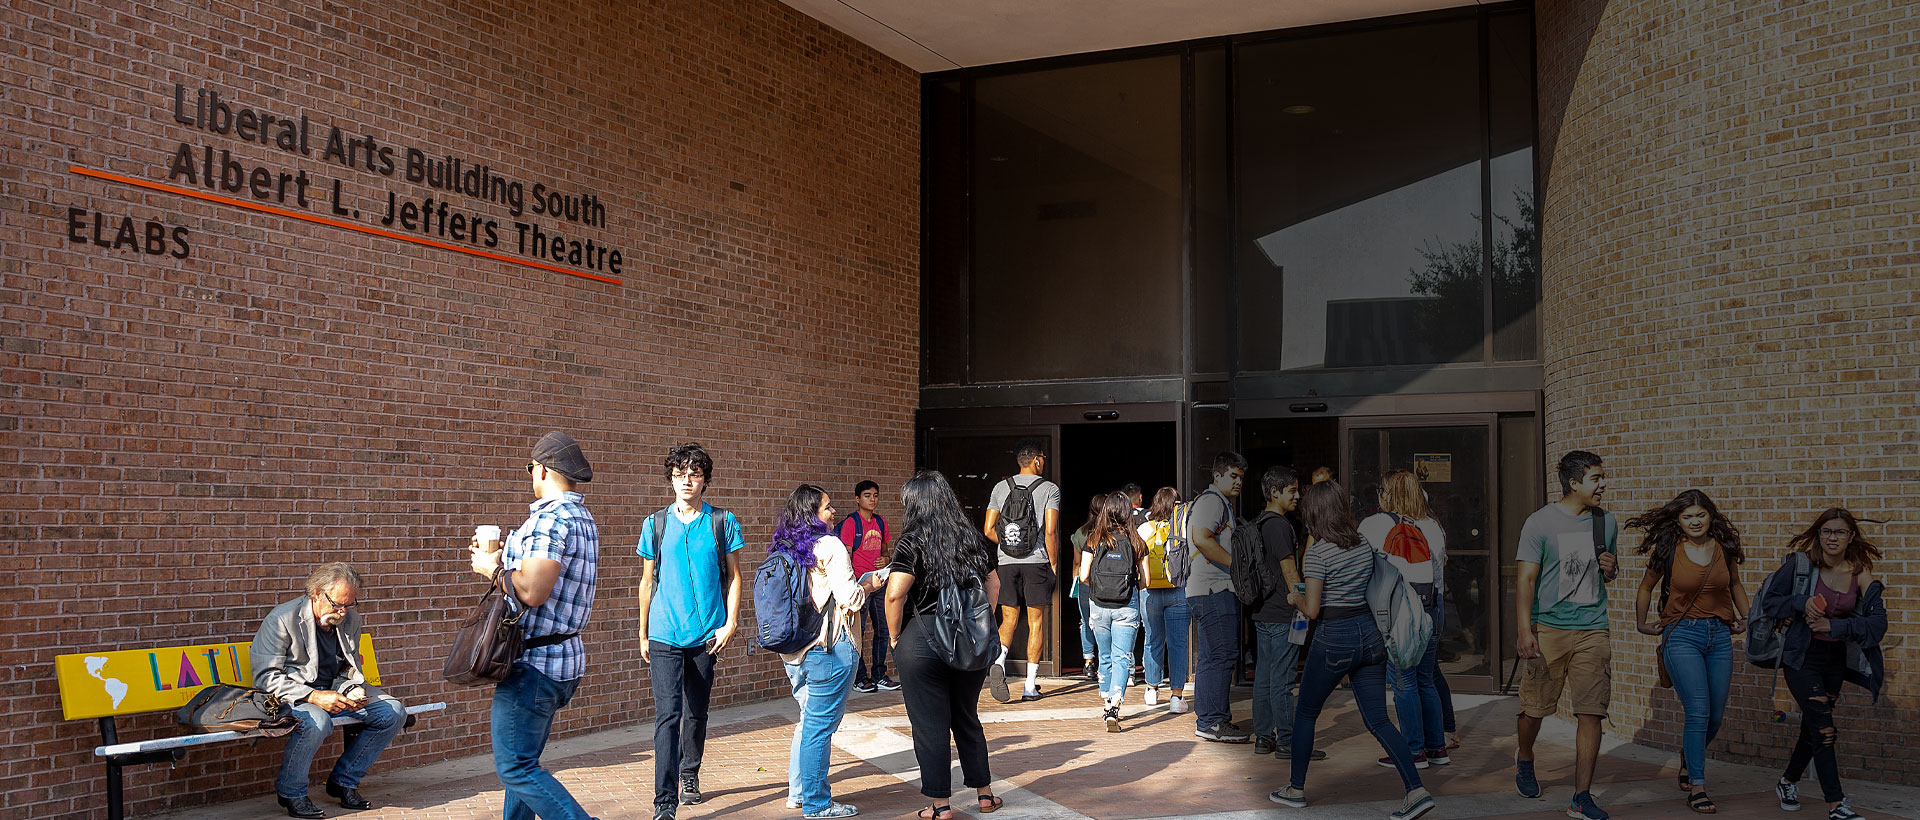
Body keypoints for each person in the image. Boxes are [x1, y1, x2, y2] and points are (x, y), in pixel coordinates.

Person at [1268, 481, 1434, 820]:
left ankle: (1295, 789)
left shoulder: (1317, 552)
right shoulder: (1362, 545)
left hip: (1334, 638)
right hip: (1370, 636)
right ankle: (1416, 790)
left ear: (1315, 513)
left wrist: (1294, 597)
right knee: (1378, 720)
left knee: (1306, 713)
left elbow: (1312, 609)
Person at [467, 431, 601, 820]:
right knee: (525, 764)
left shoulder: (550, 518)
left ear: (541, 469)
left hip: (536, 664)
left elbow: (533, 591)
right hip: (562, 657)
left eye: (531, 468)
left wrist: (492, 569)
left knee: (516, 767)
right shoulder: (581, 517)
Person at [636, 443, 746, 820]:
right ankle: (664, 802)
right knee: (668, 715)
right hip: (664, 631)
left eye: (695, 474)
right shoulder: (654, 524)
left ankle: (689, 773)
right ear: (670, 478)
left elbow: (734, 577)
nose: (687, 480)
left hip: (705, 635)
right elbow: (647, 581)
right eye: (680, 473)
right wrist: (642, 632)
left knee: (696, 711)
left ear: (705, 481)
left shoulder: (722, 521)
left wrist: (730, 623)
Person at [886, 471, 1004, 820]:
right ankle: (985, 796)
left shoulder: (912, 540)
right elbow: (993, 586)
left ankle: (940, 806)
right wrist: (979, 623)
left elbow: (895, 594)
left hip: (922, 643)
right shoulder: (972, 537)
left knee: (929, 725)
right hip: (970, 642)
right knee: (967, 716)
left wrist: (894, 638)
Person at [1627, 489, 1749, 814]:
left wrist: (1746, 617)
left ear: (1710, 516)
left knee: (1716, 715)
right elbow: (1645, 587)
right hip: (1682, 635)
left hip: (1720, 635)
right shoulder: (1668, 549)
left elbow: (1735, 584)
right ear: (1679, 521)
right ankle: (1698, 785)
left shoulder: (1724, 548)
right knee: (1698, 710)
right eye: (1688, 516)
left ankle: (1688, 755)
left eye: (1700, 515)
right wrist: (1641, 623)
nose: (1695, 521)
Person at [1760, 508, 1887, 820]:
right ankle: (1836, 804)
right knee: (1825, 729)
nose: (1833, 538)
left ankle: (1787, 781)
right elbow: (1769, 601)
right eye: (1827, 531)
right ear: (1818, 534)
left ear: (1851, 537)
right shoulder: (1800, 565)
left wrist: (1836, 628)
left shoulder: (1860, 573)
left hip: (1835, 660)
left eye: (1840, 532)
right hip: (1801, 656)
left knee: (1812, 727)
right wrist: (1800, 603)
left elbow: (1877, 624)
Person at [252, 563, 406, 819]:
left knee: (393, 712)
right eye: (336, 604)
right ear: (316, 593)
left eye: (349, 605)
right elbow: (265, 677)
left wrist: (354, 690)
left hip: (334, 691)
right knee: (317, 722)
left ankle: (344, 781)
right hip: (293, 695)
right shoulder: (282, 619)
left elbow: (348, 667)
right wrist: (313, 696)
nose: (343, 611)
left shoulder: (350, 620)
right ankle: (291, 792)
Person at [1514, 450, 1619, 820]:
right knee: (1534, 709)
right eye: (1596, 478)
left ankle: (1581, 796)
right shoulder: (1540, 523)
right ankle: (1525, 756)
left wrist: (1612, 568)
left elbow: (1609, 572)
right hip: (1549, 630)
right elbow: (1526, 579)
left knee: (1591, 712)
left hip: (1593, 629)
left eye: (1602, 477)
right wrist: (1525, 630)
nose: (1603, 484)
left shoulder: (1606, 522)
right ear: (1573, 484)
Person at [777, 485, 882, 819]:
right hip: (828, 647)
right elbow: (850, 599)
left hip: (793, 651)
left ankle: (798, 792)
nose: (834, 512)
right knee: (819, 729)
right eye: (827, 507)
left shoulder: (785, 546)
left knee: (808, 723)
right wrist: (870, 583)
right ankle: (817, 803)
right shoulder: (831, 545)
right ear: (812, 514)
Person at [1358, 471, 1447, 769]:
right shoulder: (1433, 526)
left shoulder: (1374, 524)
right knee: (1425, 679)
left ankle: (1412, 751)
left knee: (1403, 682)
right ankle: (1437, 748)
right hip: (1433, 607)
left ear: (1387, 494)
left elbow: (1361, 565)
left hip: (1400, 613)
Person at [1248, 466, 1321, 760]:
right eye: (1292, 491)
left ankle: (1264, 737)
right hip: (1285, 613)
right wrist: (1305, 607)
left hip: (1263, 612)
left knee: (1264, 677)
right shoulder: (1280, 526)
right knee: (1283, 679)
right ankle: (1288, 741)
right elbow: (1290, 571)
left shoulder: (1259, 523)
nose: (1298, 496)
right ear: (1275, 492)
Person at [981, 439, 1060, 702]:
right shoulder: (1049, 488)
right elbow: (1050, 530)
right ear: (1037, 460)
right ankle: (1029, 686)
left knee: (1009, 619)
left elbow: (988, 529)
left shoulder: (1000, 487)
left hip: (1007, 562)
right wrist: (1053, 562)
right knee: (1036, 623)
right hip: (1036, 561)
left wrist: (1008, 546)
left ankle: (1000, 662)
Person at [1186, 451, 1250, 743]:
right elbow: (1201, 537)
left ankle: (1212, 720)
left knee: (1213, 656)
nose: (1238, 482)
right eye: (1233, 476)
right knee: (1221, 656)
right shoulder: (1212, 502)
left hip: (1210, 590)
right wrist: (1237, 567)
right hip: (1214, 589)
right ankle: (1213, 721)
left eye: (1241, 477)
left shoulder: (1218, 503)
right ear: (1217, 475)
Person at [1078, 491, 1146, 732]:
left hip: (1098, 605)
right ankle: (1115, 705)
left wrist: (1099, 587)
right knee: (1121, 658)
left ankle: (1106, 699)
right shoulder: (1136, 541)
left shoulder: (1094, 539)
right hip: (1126, 606)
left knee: (1104, 655)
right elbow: (1145, 582)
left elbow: (1083, 576)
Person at [839, 480, 898, 694]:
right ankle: (860, 677)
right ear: (857, 499)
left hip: (879, 582)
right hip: (861, 584)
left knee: (883, 629)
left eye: (875, 495)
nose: (872, 499)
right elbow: (844, 556)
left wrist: (886, 559)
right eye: (867, 495)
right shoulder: (851, 524)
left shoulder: (881, 523)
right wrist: (852, 583)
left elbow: (885, 551)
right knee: (859, 630)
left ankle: (879, 674)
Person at [1136, 487, 1187, 711]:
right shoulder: (1183, 527)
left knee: (1152, 639)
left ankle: (1152, 689)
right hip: (1178, 589)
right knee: (1178, 643)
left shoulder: (1144, 528)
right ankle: (1176, 696)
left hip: (1150, 591)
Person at [1068, 495, 1105, 682]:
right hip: (1105, 584)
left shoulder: (1080, 533)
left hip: (1084, 582)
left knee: (1086, 622)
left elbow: (1076, 562)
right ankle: (1107, 662)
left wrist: (1076, 582)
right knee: (1106, 623)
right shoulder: (1109, 532)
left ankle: (1089, 662)